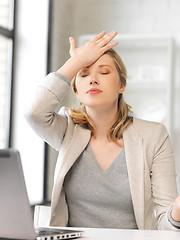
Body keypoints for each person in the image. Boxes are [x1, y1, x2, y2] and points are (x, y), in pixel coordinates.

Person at [25, 31, 180, 230]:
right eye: (84, 73)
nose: (93, 79)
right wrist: (76, 62)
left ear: (121, 85)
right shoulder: (67, 129)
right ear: (76, 90)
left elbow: (165, 227)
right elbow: (34, 112)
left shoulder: (154, 135)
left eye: (104, 72)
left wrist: (176, 211)